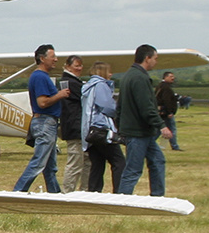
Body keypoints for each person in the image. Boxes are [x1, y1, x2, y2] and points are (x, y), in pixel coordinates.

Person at [117, 44, 173, 196]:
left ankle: (157, 196)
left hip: (142, 132)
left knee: (158, 161)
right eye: (155, 58)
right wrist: (162, 126)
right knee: (133, 169)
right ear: (147, 58)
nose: (156, 62)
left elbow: (120, 106)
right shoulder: (139, 78)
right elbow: (146, 107)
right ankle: (122, 200)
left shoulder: (129, 75)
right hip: (137, 132)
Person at [13, 44, 69, 193]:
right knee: (38, 162)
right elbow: (42, 102)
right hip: (45, 123)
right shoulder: (39, 77)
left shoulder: (41, 76)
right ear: (42, 59)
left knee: (50, 166)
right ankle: (18, 191)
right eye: (53, 57)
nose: (56, 60)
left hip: (46, 123)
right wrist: (60, 95)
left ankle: (55, 194)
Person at [81, 61, 125, 193]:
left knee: (97, 164)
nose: (111, 74)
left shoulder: (88, 86)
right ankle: (119, 191)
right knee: (119, 162)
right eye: (109, 71)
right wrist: (117, 110)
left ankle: (94, 191)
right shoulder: (101, 85)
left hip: (90, 130)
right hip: (102, 129)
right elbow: (107, 106)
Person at [59, 54, 86, 191]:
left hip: (74, 126)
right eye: (76, 66)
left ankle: (84, 190)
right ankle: (67, 192)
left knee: (84, 161)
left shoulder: (71, 81)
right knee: (75, 162)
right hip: (74, 127)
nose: (79, 68)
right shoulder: (71, 83)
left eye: (81, 65)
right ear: (68, 66)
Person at [156, 71, 182, 151]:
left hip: (161, 111)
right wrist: (169, 112)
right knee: (170, 129)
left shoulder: (160, 86)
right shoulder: (166, 87)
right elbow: (166, 100)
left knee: (160, 129)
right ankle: (175, 146)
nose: (173, 78)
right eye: (171, 76)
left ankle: (159, 145)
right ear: (165, 77)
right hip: (166, 113)